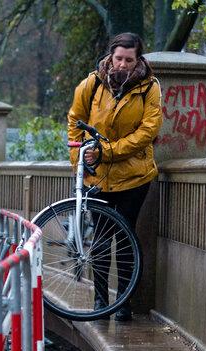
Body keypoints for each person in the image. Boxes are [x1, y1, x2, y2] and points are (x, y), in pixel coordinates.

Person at [67, 32, 162, 321]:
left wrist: (106, 152)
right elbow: (75, 122)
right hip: (98, 178)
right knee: (101, 238)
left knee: (125, 237)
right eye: (118, 58)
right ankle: (100, 301)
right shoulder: (92, 83)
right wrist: (80, 161)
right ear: (111, 55)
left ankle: (124, 302)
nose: (122, 65)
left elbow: (148, 132)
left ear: (139, 60)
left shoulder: (149, 87)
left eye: (129, 60)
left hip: (135, 176)